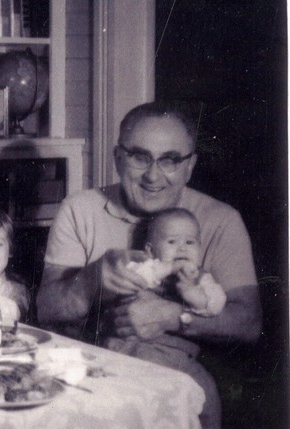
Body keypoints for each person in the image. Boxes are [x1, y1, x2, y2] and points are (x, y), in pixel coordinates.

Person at [36, 101, 261, 348]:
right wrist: (90, 280)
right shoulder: (79, 209)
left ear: (189, 167)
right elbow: (45, 308)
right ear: (118, 158)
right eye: (140, 157)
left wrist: (172, 318)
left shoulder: (222, 220)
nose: (153, 176)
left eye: (170, 160)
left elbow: (249, 323)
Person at [105, 208, 227, 429]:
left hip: (183, 357)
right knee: (156, 396)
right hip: (142, 351)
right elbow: (133, 276)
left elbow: (215, 304)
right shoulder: (148, 268)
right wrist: (167, 268)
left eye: (190, 242)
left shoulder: (201, 278)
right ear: (150, 251)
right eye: (172, 242)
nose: (182, 249)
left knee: (206, 388)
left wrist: (192, 292)